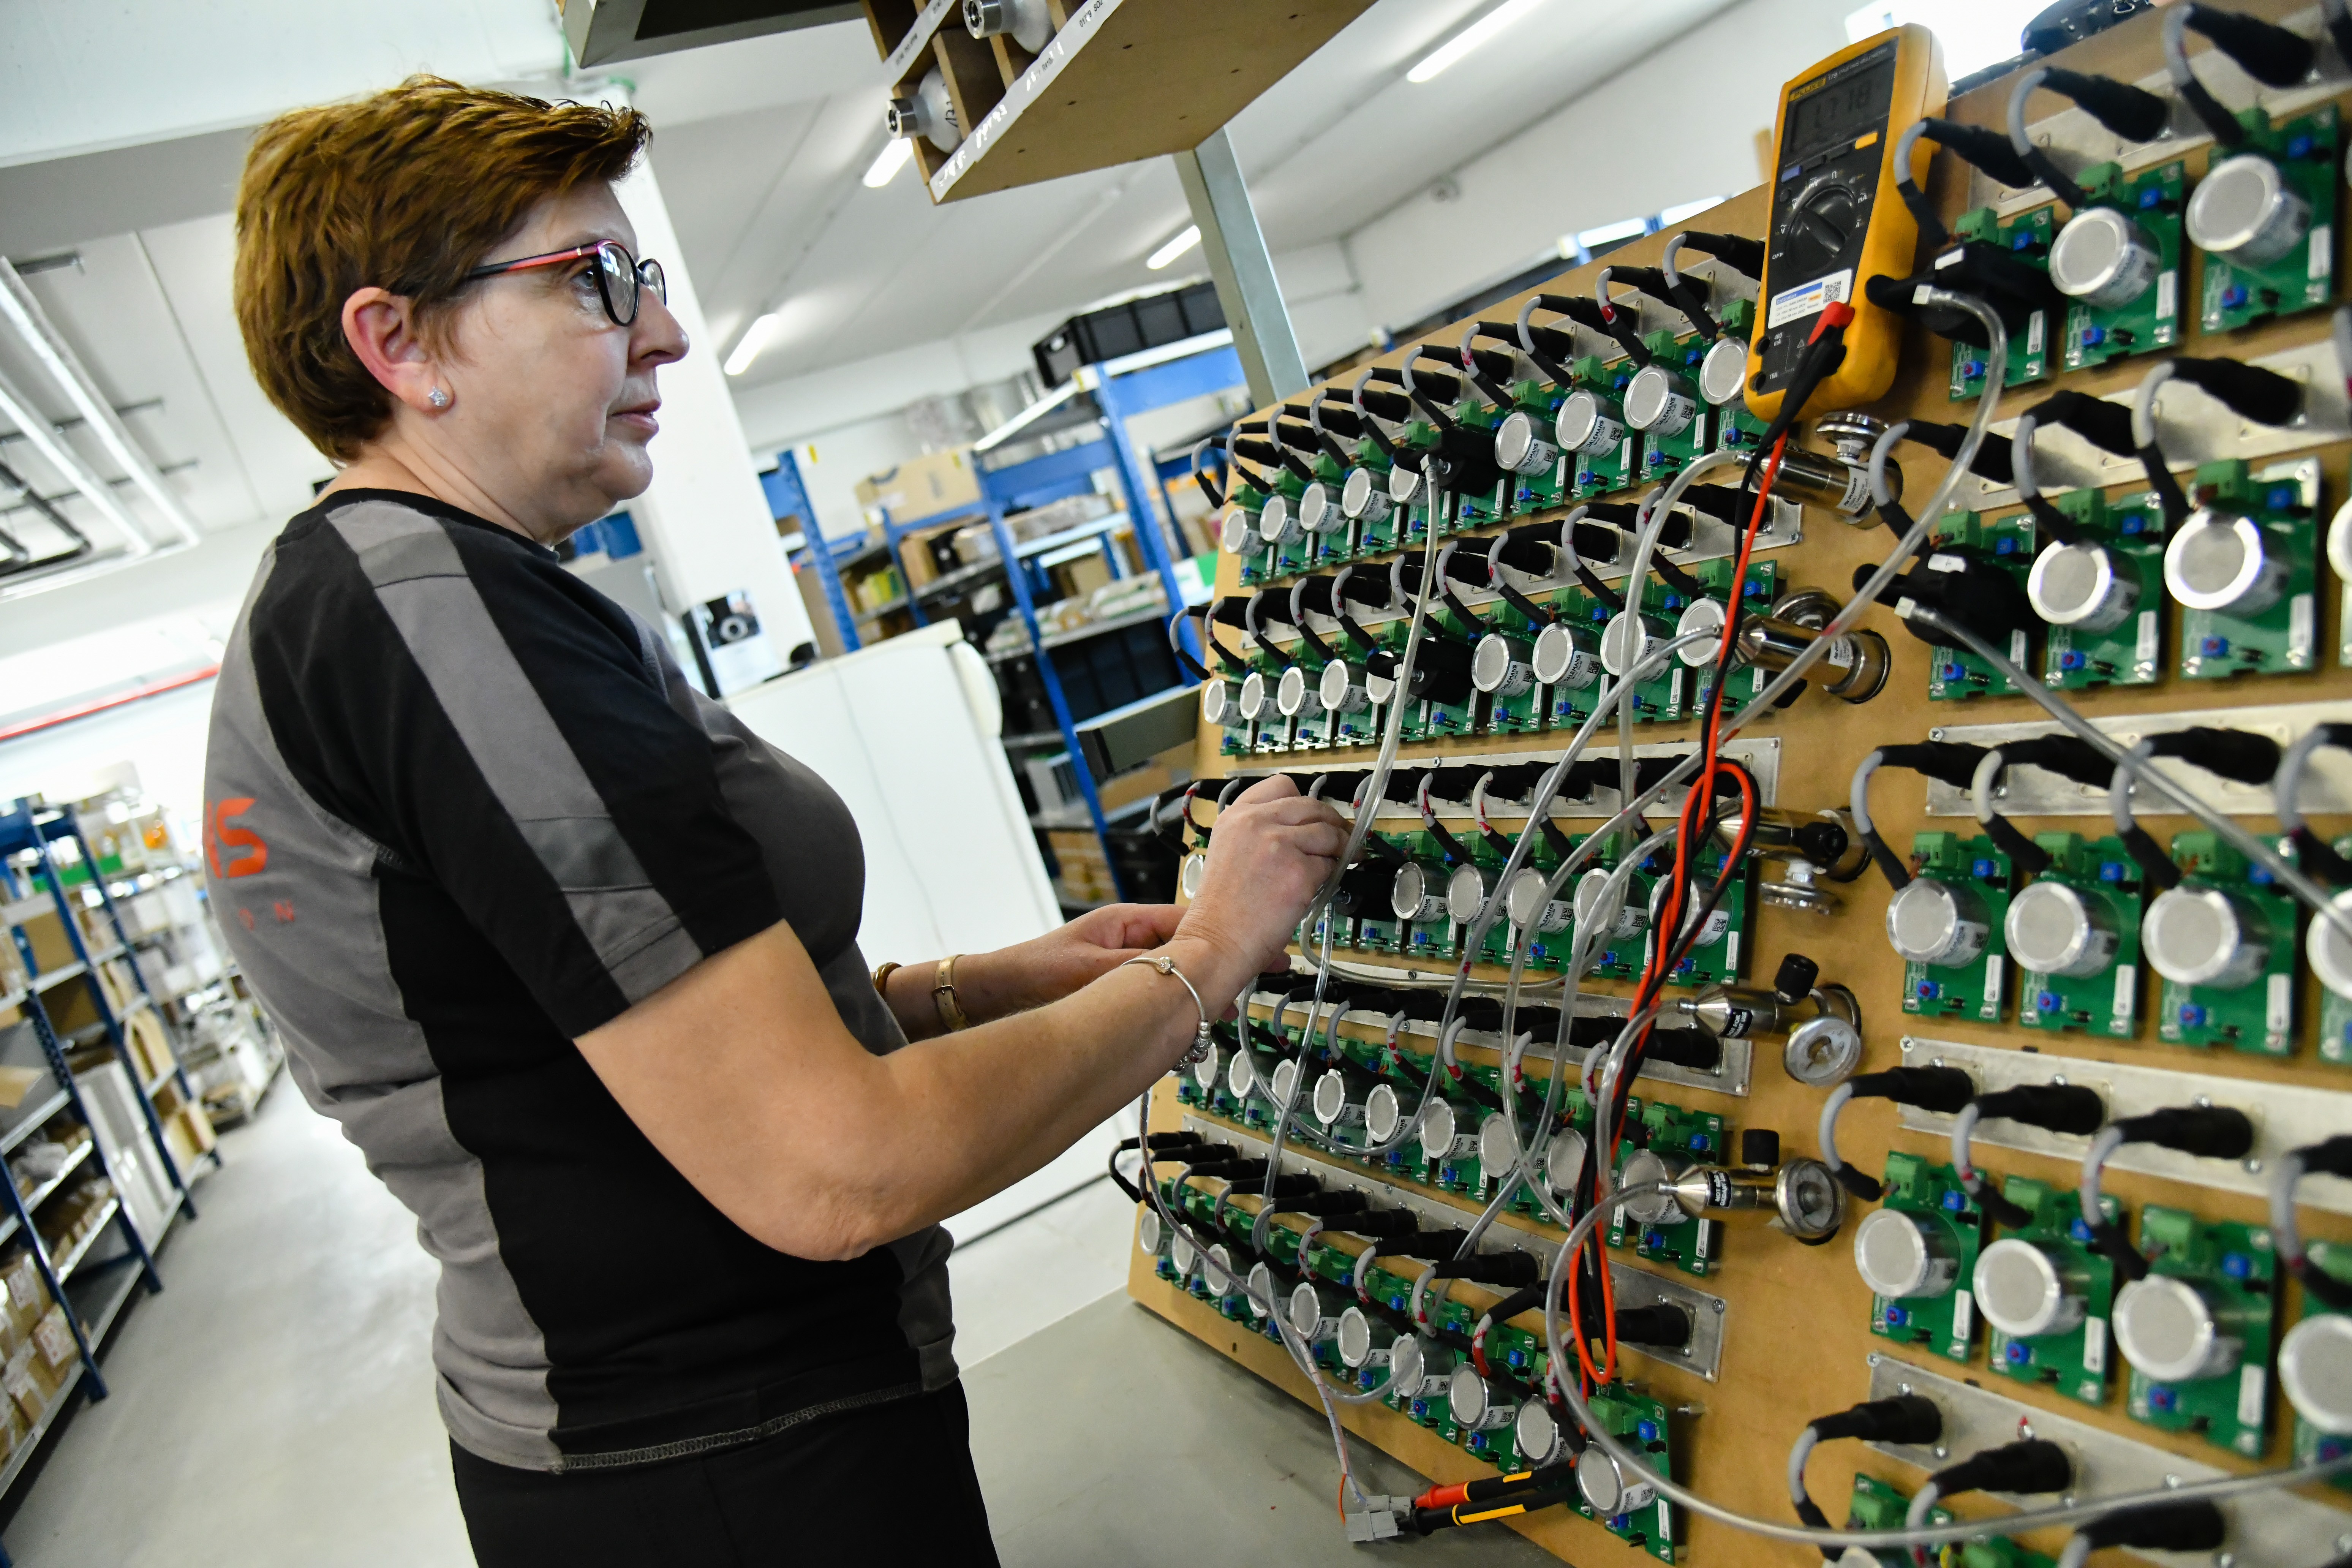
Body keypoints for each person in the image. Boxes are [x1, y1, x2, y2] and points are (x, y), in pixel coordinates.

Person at [205, 76, 1344, 1566]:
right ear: (399, 342)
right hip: (722, 1472)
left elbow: (577, 1035)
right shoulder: (431, 620)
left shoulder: (418, 601)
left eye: (649, 279)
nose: (663, 332)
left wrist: (969, 989)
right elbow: (833, 1169)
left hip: (708, 1441)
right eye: (597, 281)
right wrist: (1206, 959)